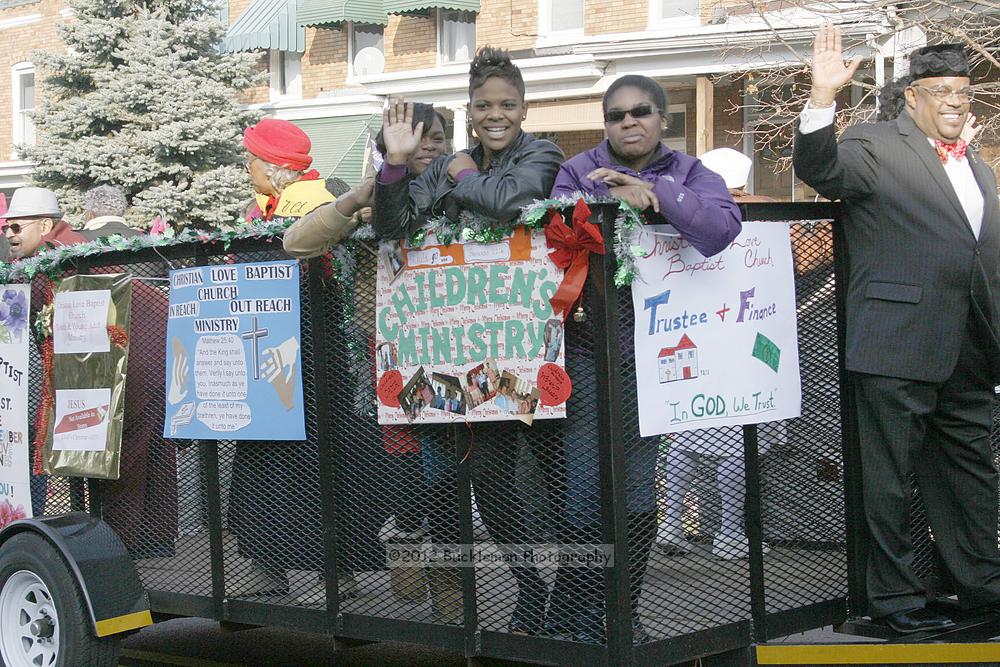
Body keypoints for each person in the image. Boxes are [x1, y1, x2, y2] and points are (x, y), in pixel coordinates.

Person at [794, 26, 1000, 634]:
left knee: (971, 470)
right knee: (888, 478)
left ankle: (982, 587)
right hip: (897, 341)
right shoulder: (875, 144)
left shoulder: (979, 165)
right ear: (912, 97)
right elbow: (821, 169)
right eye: (941, 91)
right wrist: (822, 100)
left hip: (969, 347)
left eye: (965, 91)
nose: (957, 101)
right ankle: (895, 603)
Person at [374, 46, 564, 635]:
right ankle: (530, 591)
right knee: (487, 481)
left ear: (525, 109)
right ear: (471, 108)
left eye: (507, 104)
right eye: (484, 105)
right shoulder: (446, 161)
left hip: (535, 346)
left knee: (557, 484)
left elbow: (511, 203)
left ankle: (572, 595)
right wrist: (397, 168)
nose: (495, 114)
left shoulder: (541, 152)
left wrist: (460, 173)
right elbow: (391, 226)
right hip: (459, 348)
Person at [548, 74, 742, 642]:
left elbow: (720, 229)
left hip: (659, 352)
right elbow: (551, 231)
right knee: (585, 486)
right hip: (586, 348)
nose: (628, 122)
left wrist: (654, 198)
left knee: (635, 486)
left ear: (663, 119)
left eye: (640, 112)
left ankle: (620, 610)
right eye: (615, 115)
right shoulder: (577, 169)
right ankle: (581, 611)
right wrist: (607, 199)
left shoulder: (691, 173)